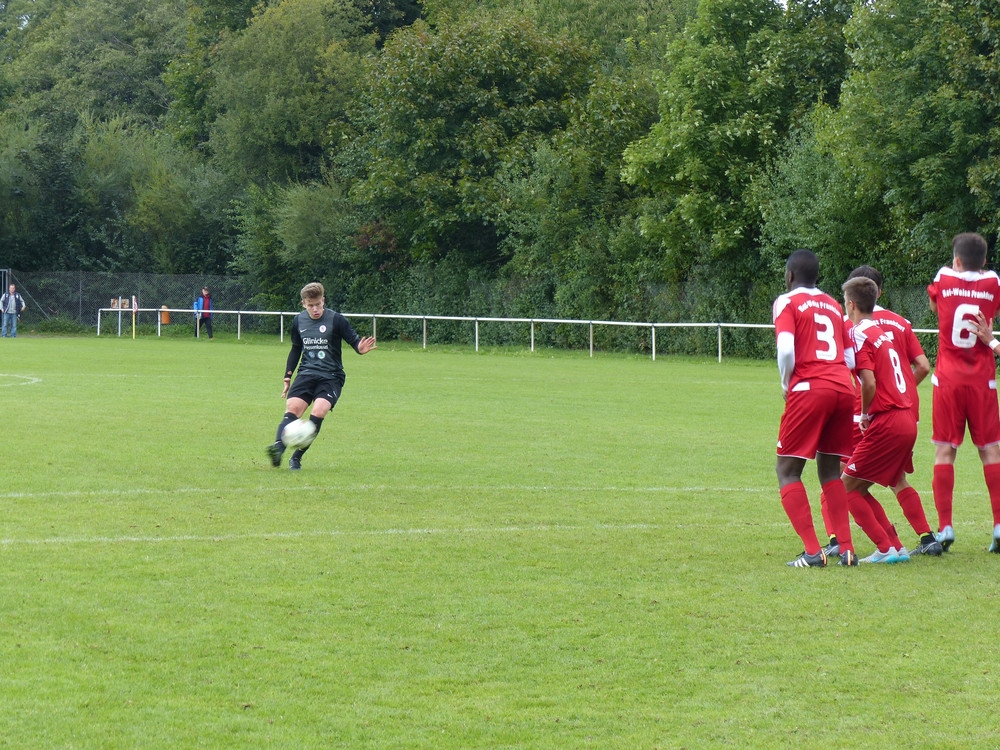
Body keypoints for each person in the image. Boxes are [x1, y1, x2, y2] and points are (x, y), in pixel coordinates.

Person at [819, 265, 935, 559]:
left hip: (876, 420)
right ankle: (899, 545)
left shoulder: (856, 331)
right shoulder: (892, 327)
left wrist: (865, 413)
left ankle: (876, 546)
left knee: (841, 487)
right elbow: (922, 366)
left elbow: (864, 380)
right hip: (907, 415)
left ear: (850, 303)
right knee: (874, 485)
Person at [773, 249, 859, 567]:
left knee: (787, 470)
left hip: (811, 388)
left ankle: (813, 552)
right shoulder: (835, 306)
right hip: (843, 389)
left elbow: (785, 350)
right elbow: (850, 358)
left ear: (790, 275)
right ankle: (847, 550)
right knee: (829, 471)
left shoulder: (787, 301)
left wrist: (787, 385)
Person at [927, 232, 1000, 552]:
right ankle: (998, 525)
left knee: (945, 452)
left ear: (956, 260)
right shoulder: (993, 282)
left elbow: (934, 303)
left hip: (948, 380)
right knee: (991, 452)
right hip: (983, 379)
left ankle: (945, 527)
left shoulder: (943, 278)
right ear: (984, 261)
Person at [266, 282, 376, 470]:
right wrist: (287, 376)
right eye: (311, 305)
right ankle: (278, 449)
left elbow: (354, 341)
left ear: (323, 300)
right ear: (303, 304)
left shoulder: (336, 320)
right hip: (306, 373)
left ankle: (296, 457)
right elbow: (296, 349)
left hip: (331, 376)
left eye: (318, 304)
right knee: (293, 408)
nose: (315, 309)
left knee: (318, 412)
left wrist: (360, 348)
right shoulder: (298, 321)